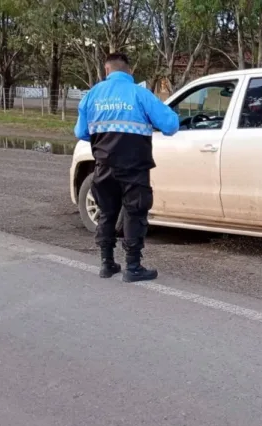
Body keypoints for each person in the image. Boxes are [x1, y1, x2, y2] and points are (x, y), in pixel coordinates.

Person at [74, 52, 179, 282]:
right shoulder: (140, 94)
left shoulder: (91, 96)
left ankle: (107, 263)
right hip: (134, 168)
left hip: (103, 167)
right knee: (134, 212)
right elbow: (171, 125)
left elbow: (81, 133)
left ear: (106, 70)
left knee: (107, 212)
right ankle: (133, 267)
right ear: (129, 71)